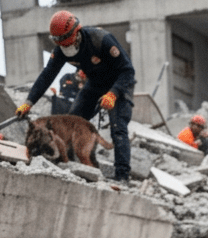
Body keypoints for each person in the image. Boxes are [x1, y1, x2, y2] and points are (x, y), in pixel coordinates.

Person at [15, 10, 135, 182]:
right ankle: (71, 168)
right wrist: (29, 102)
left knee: (118, 128)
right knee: (73, 121)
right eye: (60, 43)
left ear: (76, 32)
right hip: (94, 83)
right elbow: (46, 76)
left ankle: (122, 176)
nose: (65, 47)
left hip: (119, 83)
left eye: (66, 42)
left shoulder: (101, 40)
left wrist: (113, 94)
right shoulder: (61, 50)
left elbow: (128, 71)